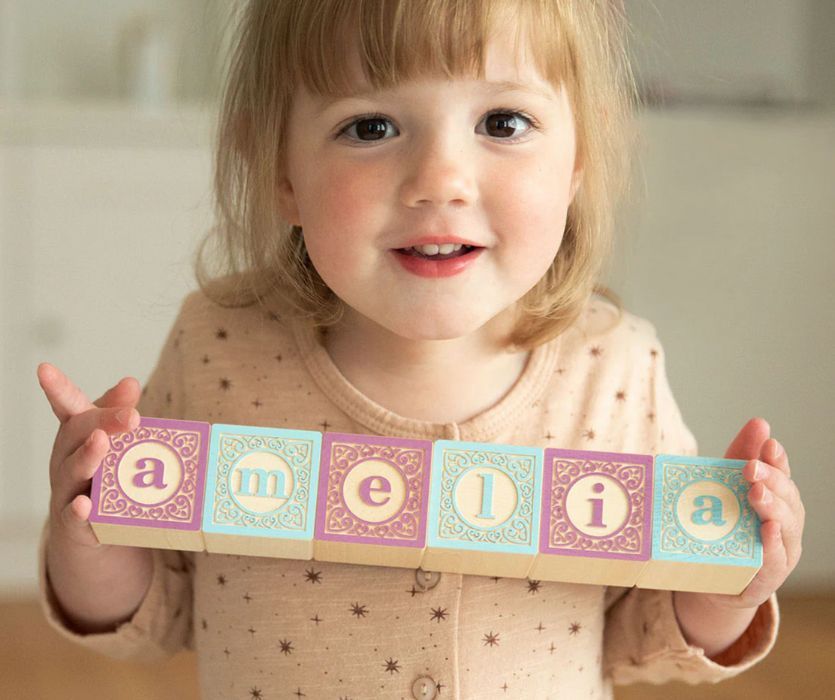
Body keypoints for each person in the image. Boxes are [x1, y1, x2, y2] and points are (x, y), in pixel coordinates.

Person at [36, 1, 805, 698]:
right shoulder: (219, 344)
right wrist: (85, 526)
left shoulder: (614, 369)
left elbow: (645, 635)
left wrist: (728, 584)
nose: (440, 180)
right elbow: (157, 612)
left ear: (578, 158)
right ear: (279, 170)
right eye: (370, 126)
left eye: (502, 122)